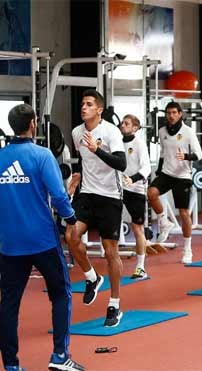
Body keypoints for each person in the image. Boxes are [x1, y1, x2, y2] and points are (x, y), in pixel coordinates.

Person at [0, 104, 85, 371]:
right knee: (61, 293)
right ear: (34, 124)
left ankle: (11, 366)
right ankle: (60, 356)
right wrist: (71, 218)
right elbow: (59, 196)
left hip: (9, 244)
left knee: (9, 303)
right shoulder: (42, 155)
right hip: (42, 241)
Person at [66, 90, 127, 327]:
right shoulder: (76, 132)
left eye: (89, 104)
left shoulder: (111, 131)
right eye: (82, 104)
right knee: (71, 236)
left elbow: (121, 164)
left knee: (110, 251)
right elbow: (82, 160)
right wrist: (76, 179)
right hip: (88, 194)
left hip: (110, 196)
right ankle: (92, 277)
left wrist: (97, 150)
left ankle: (114, 304)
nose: (84, 107)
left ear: (99, 109)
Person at [147, 101, 202, 263]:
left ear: (180, 114)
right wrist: (157, 171)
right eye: (168, 113)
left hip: (183, 176)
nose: (171, 116)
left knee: (184, 213)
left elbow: (199, 154)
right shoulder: (162, 131)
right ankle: (164, 221)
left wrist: (185, 157)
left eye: (174, 113)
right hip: (166, 173)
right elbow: (163, 153)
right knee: (151, 193)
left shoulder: (188, 132)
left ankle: (187, 249)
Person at [119, 114, 151, 280]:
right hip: (118, 188)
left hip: (136, 189)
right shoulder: (116, 141)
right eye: (122, 123)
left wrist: (132, 179)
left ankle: (140, 267)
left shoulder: (139, 144)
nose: (122, 125)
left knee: (137, 228)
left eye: (126, 123)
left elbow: (146, 168)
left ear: (135, 128)